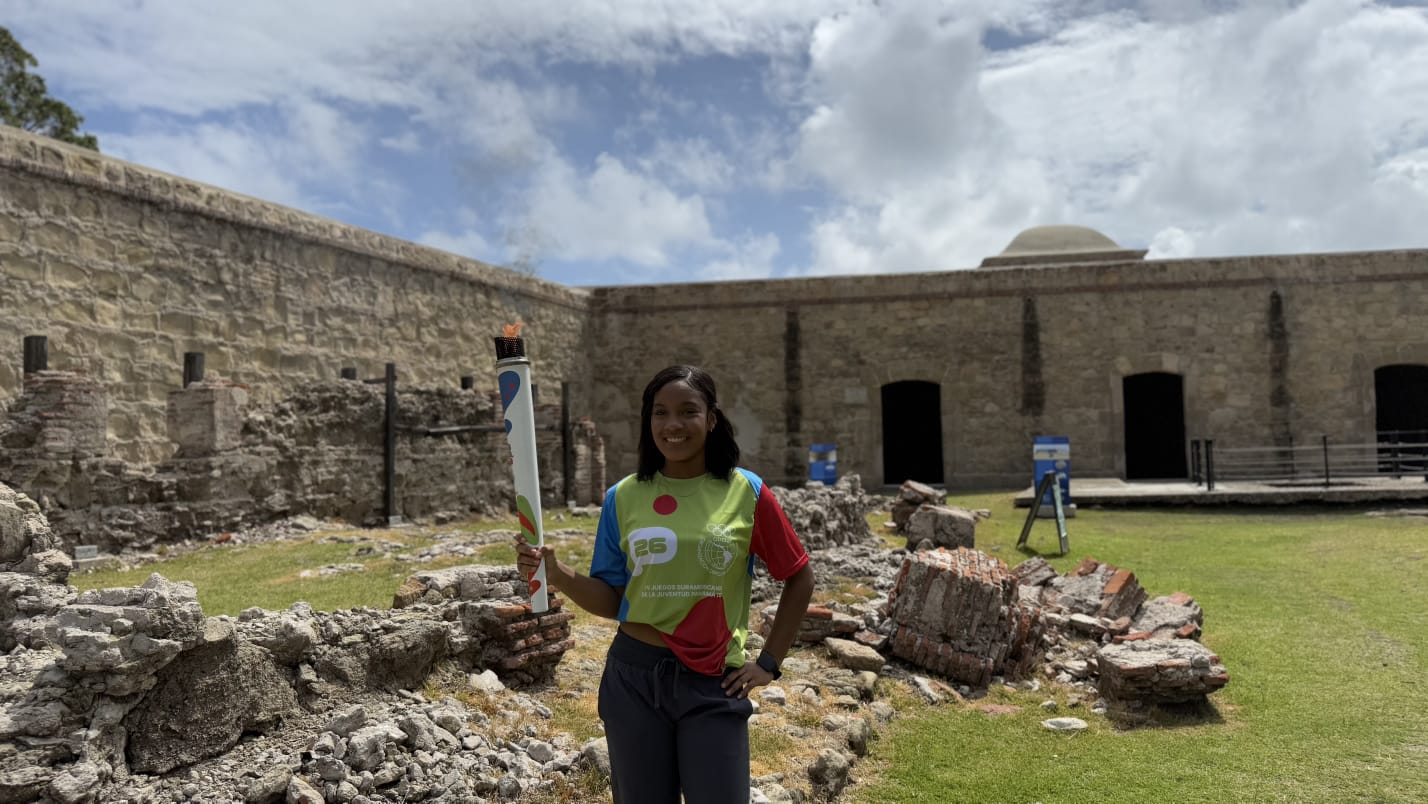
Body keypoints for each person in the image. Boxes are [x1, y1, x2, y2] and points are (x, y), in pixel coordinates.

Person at [516, 365, 815, 804]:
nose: (672, 425)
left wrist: (769, 662)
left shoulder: (745, 491)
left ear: (711, 418)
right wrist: (558, 575)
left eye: (687, 411)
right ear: (648, 420)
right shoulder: (624, 496)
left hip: (713, 681)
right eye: (660, 413)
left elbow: (799, 575)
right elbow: (613, 598)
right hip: (633, 678)